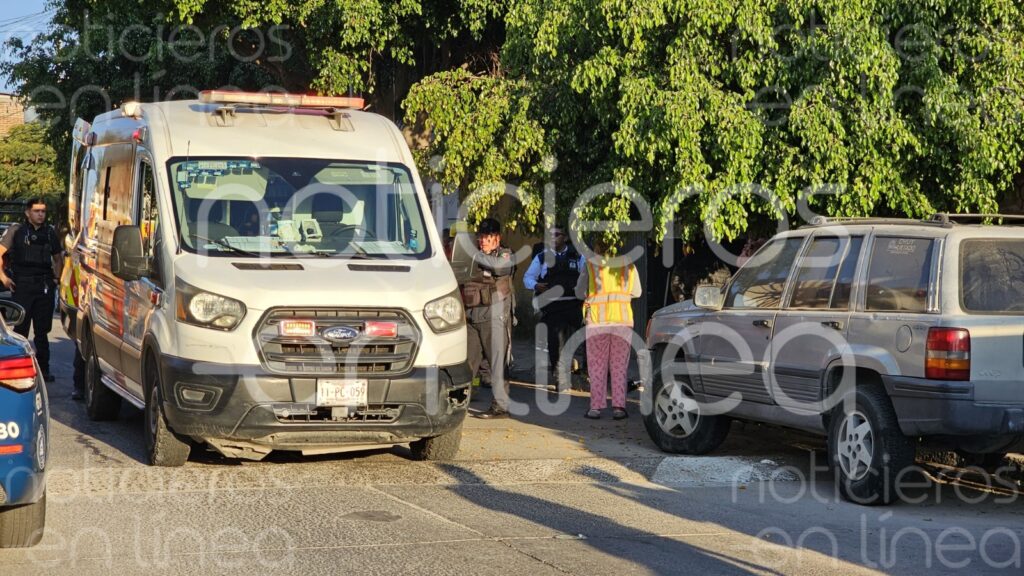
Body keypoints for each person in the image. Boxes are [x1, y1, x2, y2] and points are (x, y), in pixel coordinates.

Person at [575, 236, 641, 420]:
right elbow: (637, 292)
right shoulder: (628, 265)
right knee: (619, 366)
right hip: (622, 322)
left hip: (597, 321)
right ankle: (619, 408)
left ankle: (596, 408)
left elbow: (579, 292)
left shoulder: (590, 265)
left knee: (597, 366)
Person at [0, 198, 63, 382]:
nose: (41, 214)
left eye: (43, 211)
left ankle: (43, 370)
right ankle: (17, 368)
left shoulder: (50, 233)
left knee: (42, 331)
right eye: (36, 211)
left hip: (43, 286)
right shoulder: (16, 231)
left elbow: (58, 258)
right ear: (28, 213)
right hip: (23, 286)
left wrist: (56, 279)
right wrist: (3, 277)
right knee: (21, 329)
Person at [462, 217, 515, 419]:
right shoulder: (473, 255)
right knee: (468, 363)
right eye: (481, 236)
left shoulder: (505, 254)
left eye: (488, 237)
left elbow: (500, 268)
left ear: (497, 238)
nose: (483, 240)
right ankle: (461, 402)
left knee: (497, 362)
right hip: (472, 316)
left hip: (495, 316)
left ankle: (500, 406)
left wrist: (475, 257)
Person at [523, 224, 585, 388]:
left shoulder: (578, 257)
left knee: (574, 342)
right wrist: (536, 286)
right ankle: (559, 378)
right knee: (555, 343)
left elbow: (587, 278)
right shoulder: (542, 257)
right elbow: (527, 278)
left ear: (565, 237)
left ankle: (575, 371)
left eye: (556, 234)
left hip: (573, 306)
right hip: (553, 308)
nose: (552, 238)